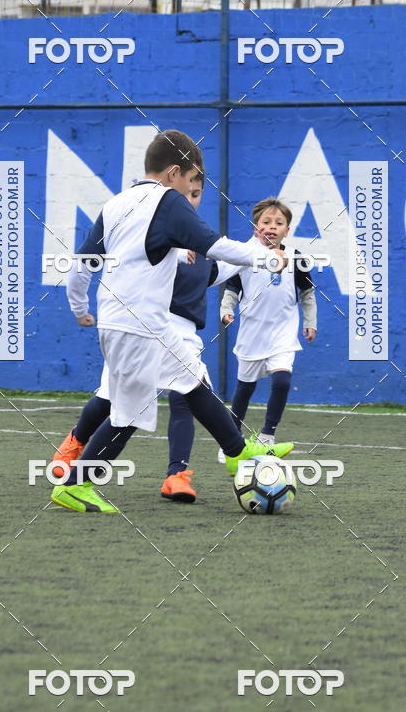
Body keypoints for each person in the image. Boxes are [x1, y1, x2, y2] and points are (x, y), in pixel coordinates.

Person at [50, 130, 295, 513]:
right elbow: (213, 246)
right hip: (137, 325)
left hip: (135, 322)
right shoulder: (167, 200)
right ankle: (75, 484)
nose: (189, 190)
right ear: (174, 172)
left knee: (192, 381)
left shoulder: (117, 203)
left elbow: (83, 264)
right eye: (190, 180)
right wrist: (267, 258)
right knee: (128, 412)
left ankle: (236, 451)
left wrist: (80, 307)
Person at [53, 171, 239, 503]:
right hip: (141, 329)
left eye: (197, 195)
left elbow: (218, 269)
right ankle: (75, 452)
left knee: (188, 391)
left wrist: (257, 252)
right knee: (115, 401)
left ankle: (180, 473)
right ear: (173, 179)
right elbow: (100, 262)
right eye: (189, 191)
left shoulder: (196, 243)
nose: (190, 199)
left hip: (172, 333)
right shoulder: (154, 227)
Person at [217, 197, 317, 463]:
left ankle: (267, 435)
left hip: (283, 333)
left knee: (282, 381)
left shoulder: (297, 258)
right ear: (255, 227)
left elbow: (307, 293)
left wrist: (310, 323)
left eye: (279, 223)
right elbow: (232, 288)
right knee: (244, 389)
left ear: (287, 230)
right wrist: (226, 309)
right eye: (266, 222)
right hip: (252, 334)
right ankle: (232, 439)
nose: (272, 227)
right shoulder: (245, 256)